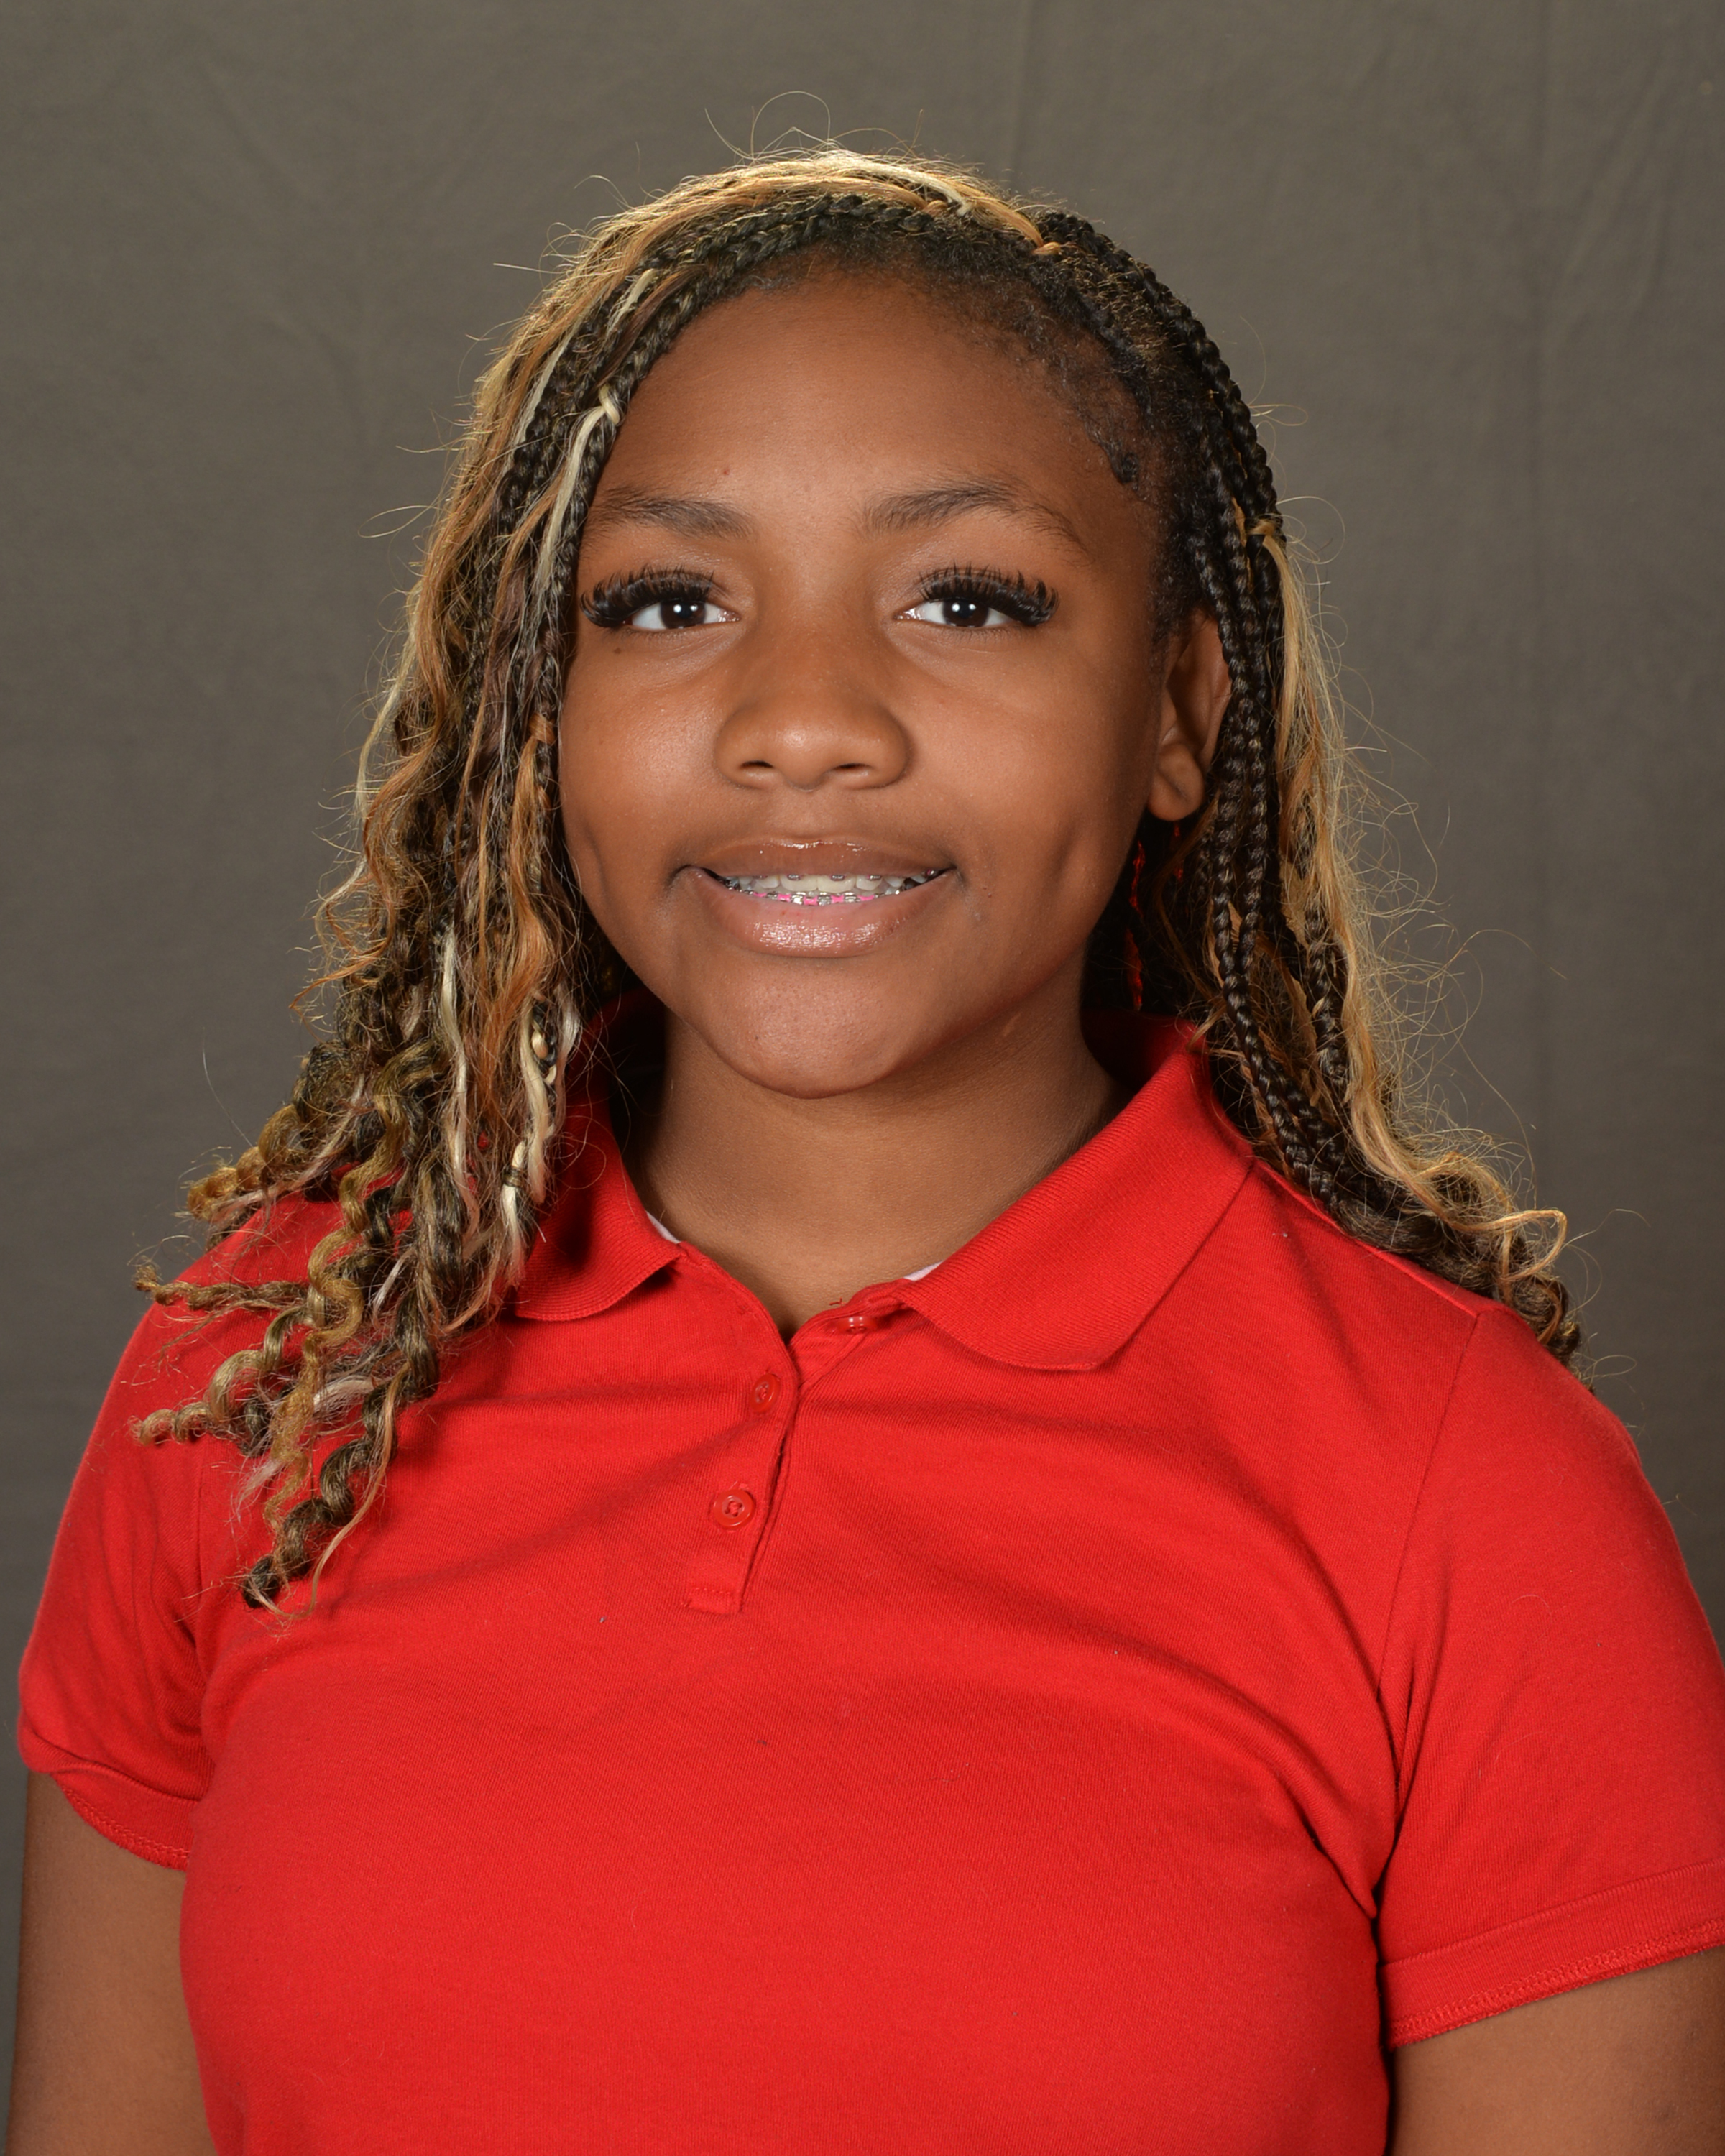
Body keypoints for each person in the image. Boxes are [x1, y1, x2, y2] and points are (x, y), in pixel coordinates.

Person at [9, 148, 1725, 2155]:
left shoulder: (1471, 1492)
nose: (804, 721)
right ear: (537, 704)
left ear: (1180, 710)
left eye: (965, 600)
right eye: (669, 602)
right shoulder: (280, 1372)